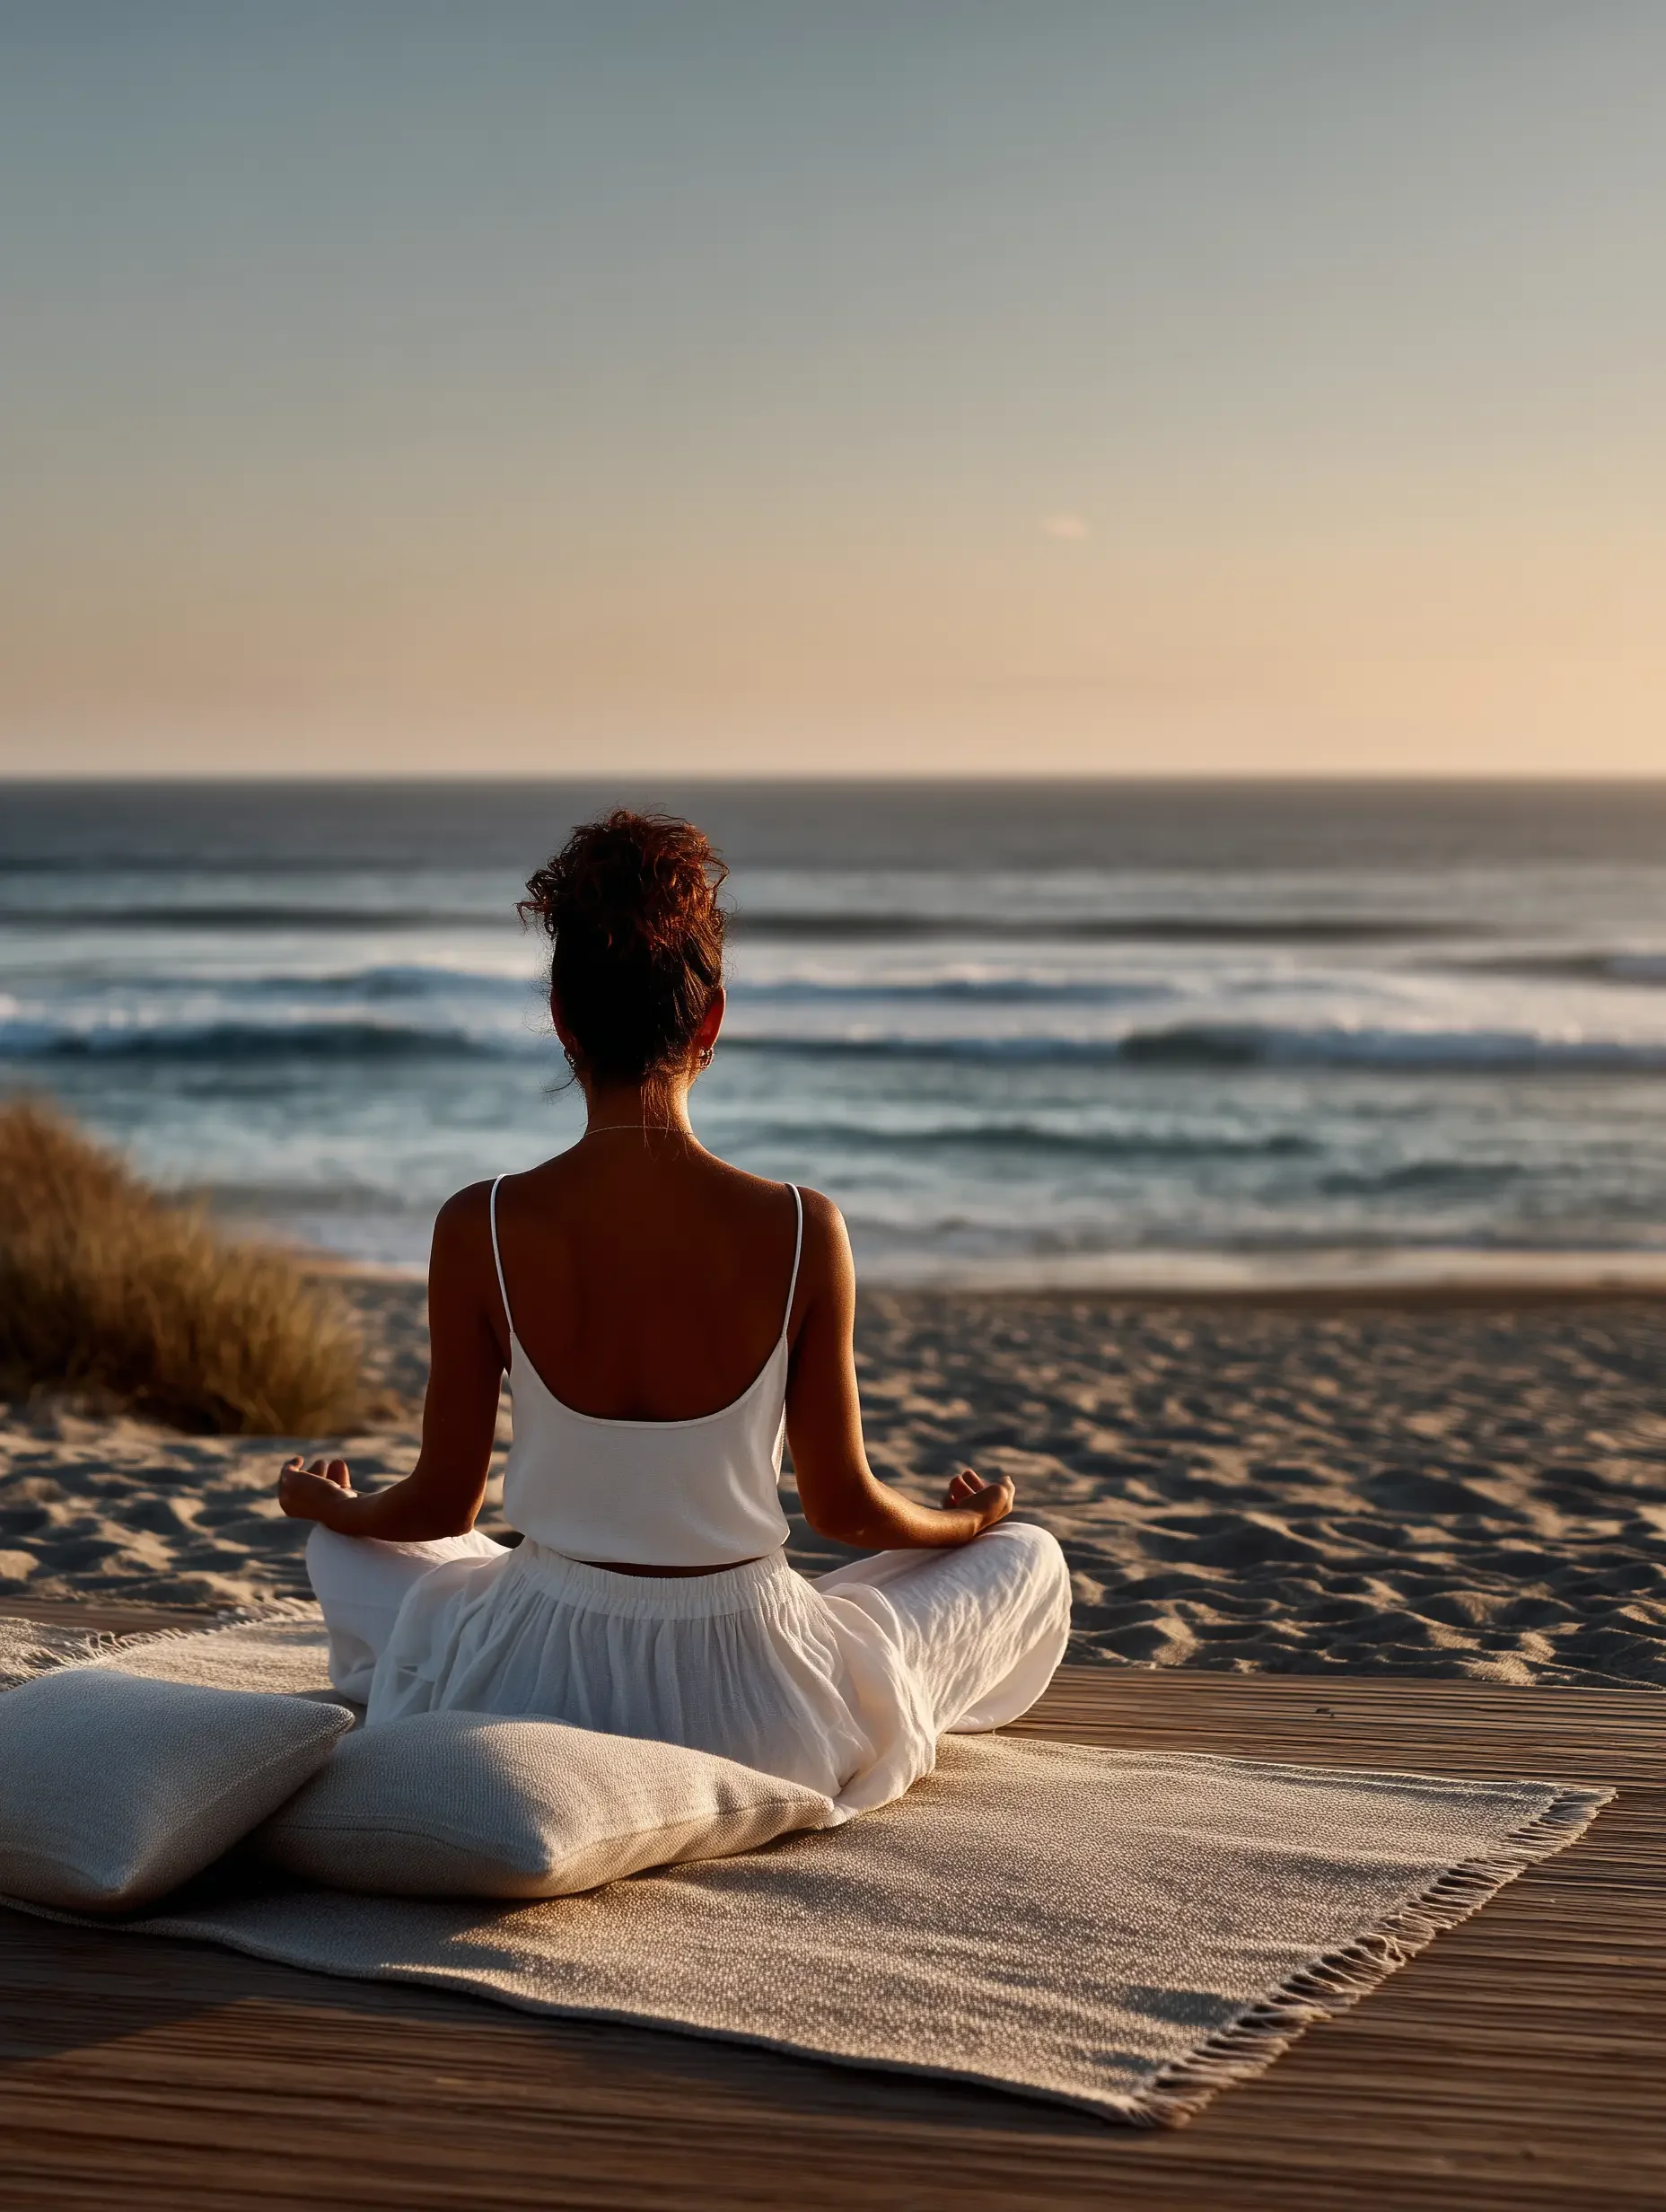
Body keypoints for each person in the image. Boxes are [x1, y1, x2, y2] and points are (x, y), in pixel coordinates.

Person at [280, 810, 1071, 1813]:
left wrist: (338, 1510)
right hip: (757, 1704)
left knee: (350, 1551)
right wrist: (965, 1522)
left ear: (562, 1020)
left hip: (528, 1679)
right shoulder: (799, 1227)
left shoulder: (477, 1222)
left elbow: (442, 1508)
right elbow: (842, 1511)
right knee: (1026, 1556)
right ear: (711, 1020)